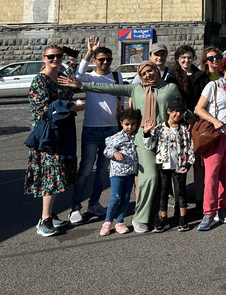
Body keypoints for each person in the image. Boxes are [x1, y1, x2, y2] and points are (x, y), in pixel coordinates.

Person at [60, 61, 192, 233]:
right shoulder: (135, 88)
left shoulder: (170, 88)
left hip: (165, 140)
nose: (147, 75)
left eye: (150, 71)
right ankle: (141, 218)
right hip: (143, 139)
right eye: (143, 73)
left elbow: (180, 108)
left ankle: (154, 217)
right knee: (150, 177)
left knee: (160, 180)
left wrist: (191, 119)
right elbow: (107, 88)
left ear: (155, 70)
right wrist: (82, 85)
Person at [26, 45, 84, 237]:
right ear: (43, 58)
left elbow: (70, 83)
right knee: (51, 175)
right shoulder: (40, 80)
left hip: (62, 132)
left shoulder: (59, 76)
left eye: (58, 56)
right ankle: (44, 220)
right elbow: (43, 108)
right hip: (48, 136)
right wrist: (72, 106)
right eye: (51, 56)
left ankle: (50, 214)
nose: (55, 59)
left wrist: (73, 59)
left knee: (58, 174)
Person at [69, 36, 123, 224]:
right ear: (95, 61)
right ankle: (75, 207)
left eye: (108, 59)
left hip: (112, 129)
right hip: (92, 129)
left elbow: (121, 100)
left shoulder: (116, 76)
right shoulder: (89, 77)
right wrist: (90, 51)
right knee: (85, 169)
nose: (106, 62)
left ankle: (94, 202)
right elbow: (77, 75)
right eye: (101, 59)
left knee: (102, 170)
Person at [194, 55, 226, 230]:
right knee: (211, 175)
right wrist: (214, 120)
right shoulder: (214, 85)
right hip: (216, 134)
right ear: (223, 69)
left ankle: (220, 208)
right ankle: (208, 213)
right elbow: (198, 108)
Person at [167, 45, 209, 212]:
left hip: (198, 125)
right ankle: (179, 201)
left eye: (189, 57)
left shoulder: (201, 76)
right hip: (180, 124)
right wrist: (186, 116)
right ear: (178, 59)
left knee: (199, 164)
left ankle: (200, 199)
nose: (186, 60)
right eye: (183, 58)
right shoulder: (172, 78)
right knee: (179, 164)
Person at [144, 100, 194, 232]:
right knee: (164, 191)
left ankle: (183, 219)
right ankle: (164, 219)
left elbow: (190, 146)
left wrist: (189, 163)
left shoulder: (185, 128)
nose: (178, 114)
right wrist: (146, 133)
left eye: (181, 112)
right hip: (164, 164)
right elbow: (149, 145)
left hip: (181, 163)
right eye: (174, 111)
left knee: (181, 191)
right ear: (168, 111)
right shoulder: (160, 128)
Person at [101, 108, 141, 236]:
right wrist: (114, 152)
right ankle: (107, 222)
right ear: (121, 123)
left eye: (133, 124)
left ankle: (120, 222)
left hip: (130, 173)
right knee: (115, 197)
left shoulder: (137, 137)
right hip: (117, 173)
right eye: (127, 124)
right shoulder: (116, 137)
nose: (130, 127)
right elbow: (106, 150)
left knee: (125, 198)